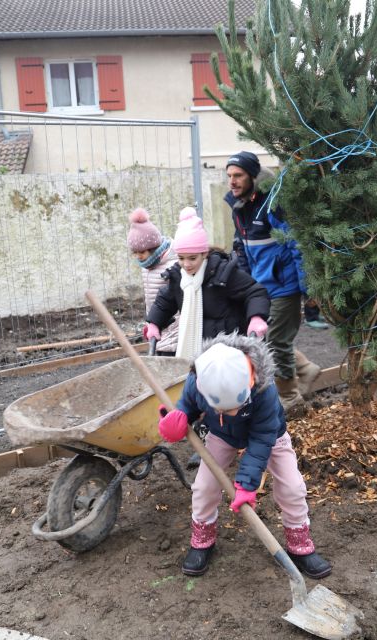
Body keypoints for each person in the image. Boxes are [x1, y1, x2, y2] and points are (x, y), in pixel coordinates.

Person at [157, 334, 332, 579]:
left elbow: (261, 440)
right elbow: (188, 405)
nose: (231, 413)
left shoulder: (265, 390)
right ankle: (203, 540)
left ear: (250, 382)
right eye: (222, 409)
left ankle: (299, 545)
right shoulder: (197, 380)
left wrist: (247, 484)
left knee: (292, 488)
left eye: (235, 407)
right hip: (221, 436)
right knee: (204, 487)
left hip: (270, 436)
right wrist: (178, 419)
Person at [224, 152, 321, 415]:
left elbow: (296, 244)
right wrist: (246, 285)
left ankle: (289, 397)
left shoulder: (273, 203)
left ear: (253, 176)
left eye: (238, 175)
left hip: (284, 284)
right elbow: (241, 247)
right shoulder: (238, 205)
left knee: (275, 341)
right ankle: (305, 369)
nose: (232, 181)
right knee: (268, 337)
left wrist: (307, 287)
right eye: (229, 175)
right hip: (261, 285)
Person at [145, 207, 270, 359]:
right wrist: (153, 323)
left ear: (204, 254)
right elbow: (165, 301)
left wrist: (256, 317)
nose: (186, 264)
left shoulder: (223, 273)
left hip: (229, 350)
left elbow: (255, 292)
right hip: (197, 352)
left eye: (192, 258)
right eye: (181, 257)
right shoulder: (179, 276)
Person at [128, 208, 179, 355]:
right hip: (158, 323)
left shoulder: (172, 265)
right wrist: (150, 322)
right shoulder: (147, 266)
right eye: (135, 252)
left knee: (171, 359)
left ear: (154, 247)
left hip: (174, 325)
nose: (138, 256)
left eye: (142, 252)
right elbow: (151, 300)